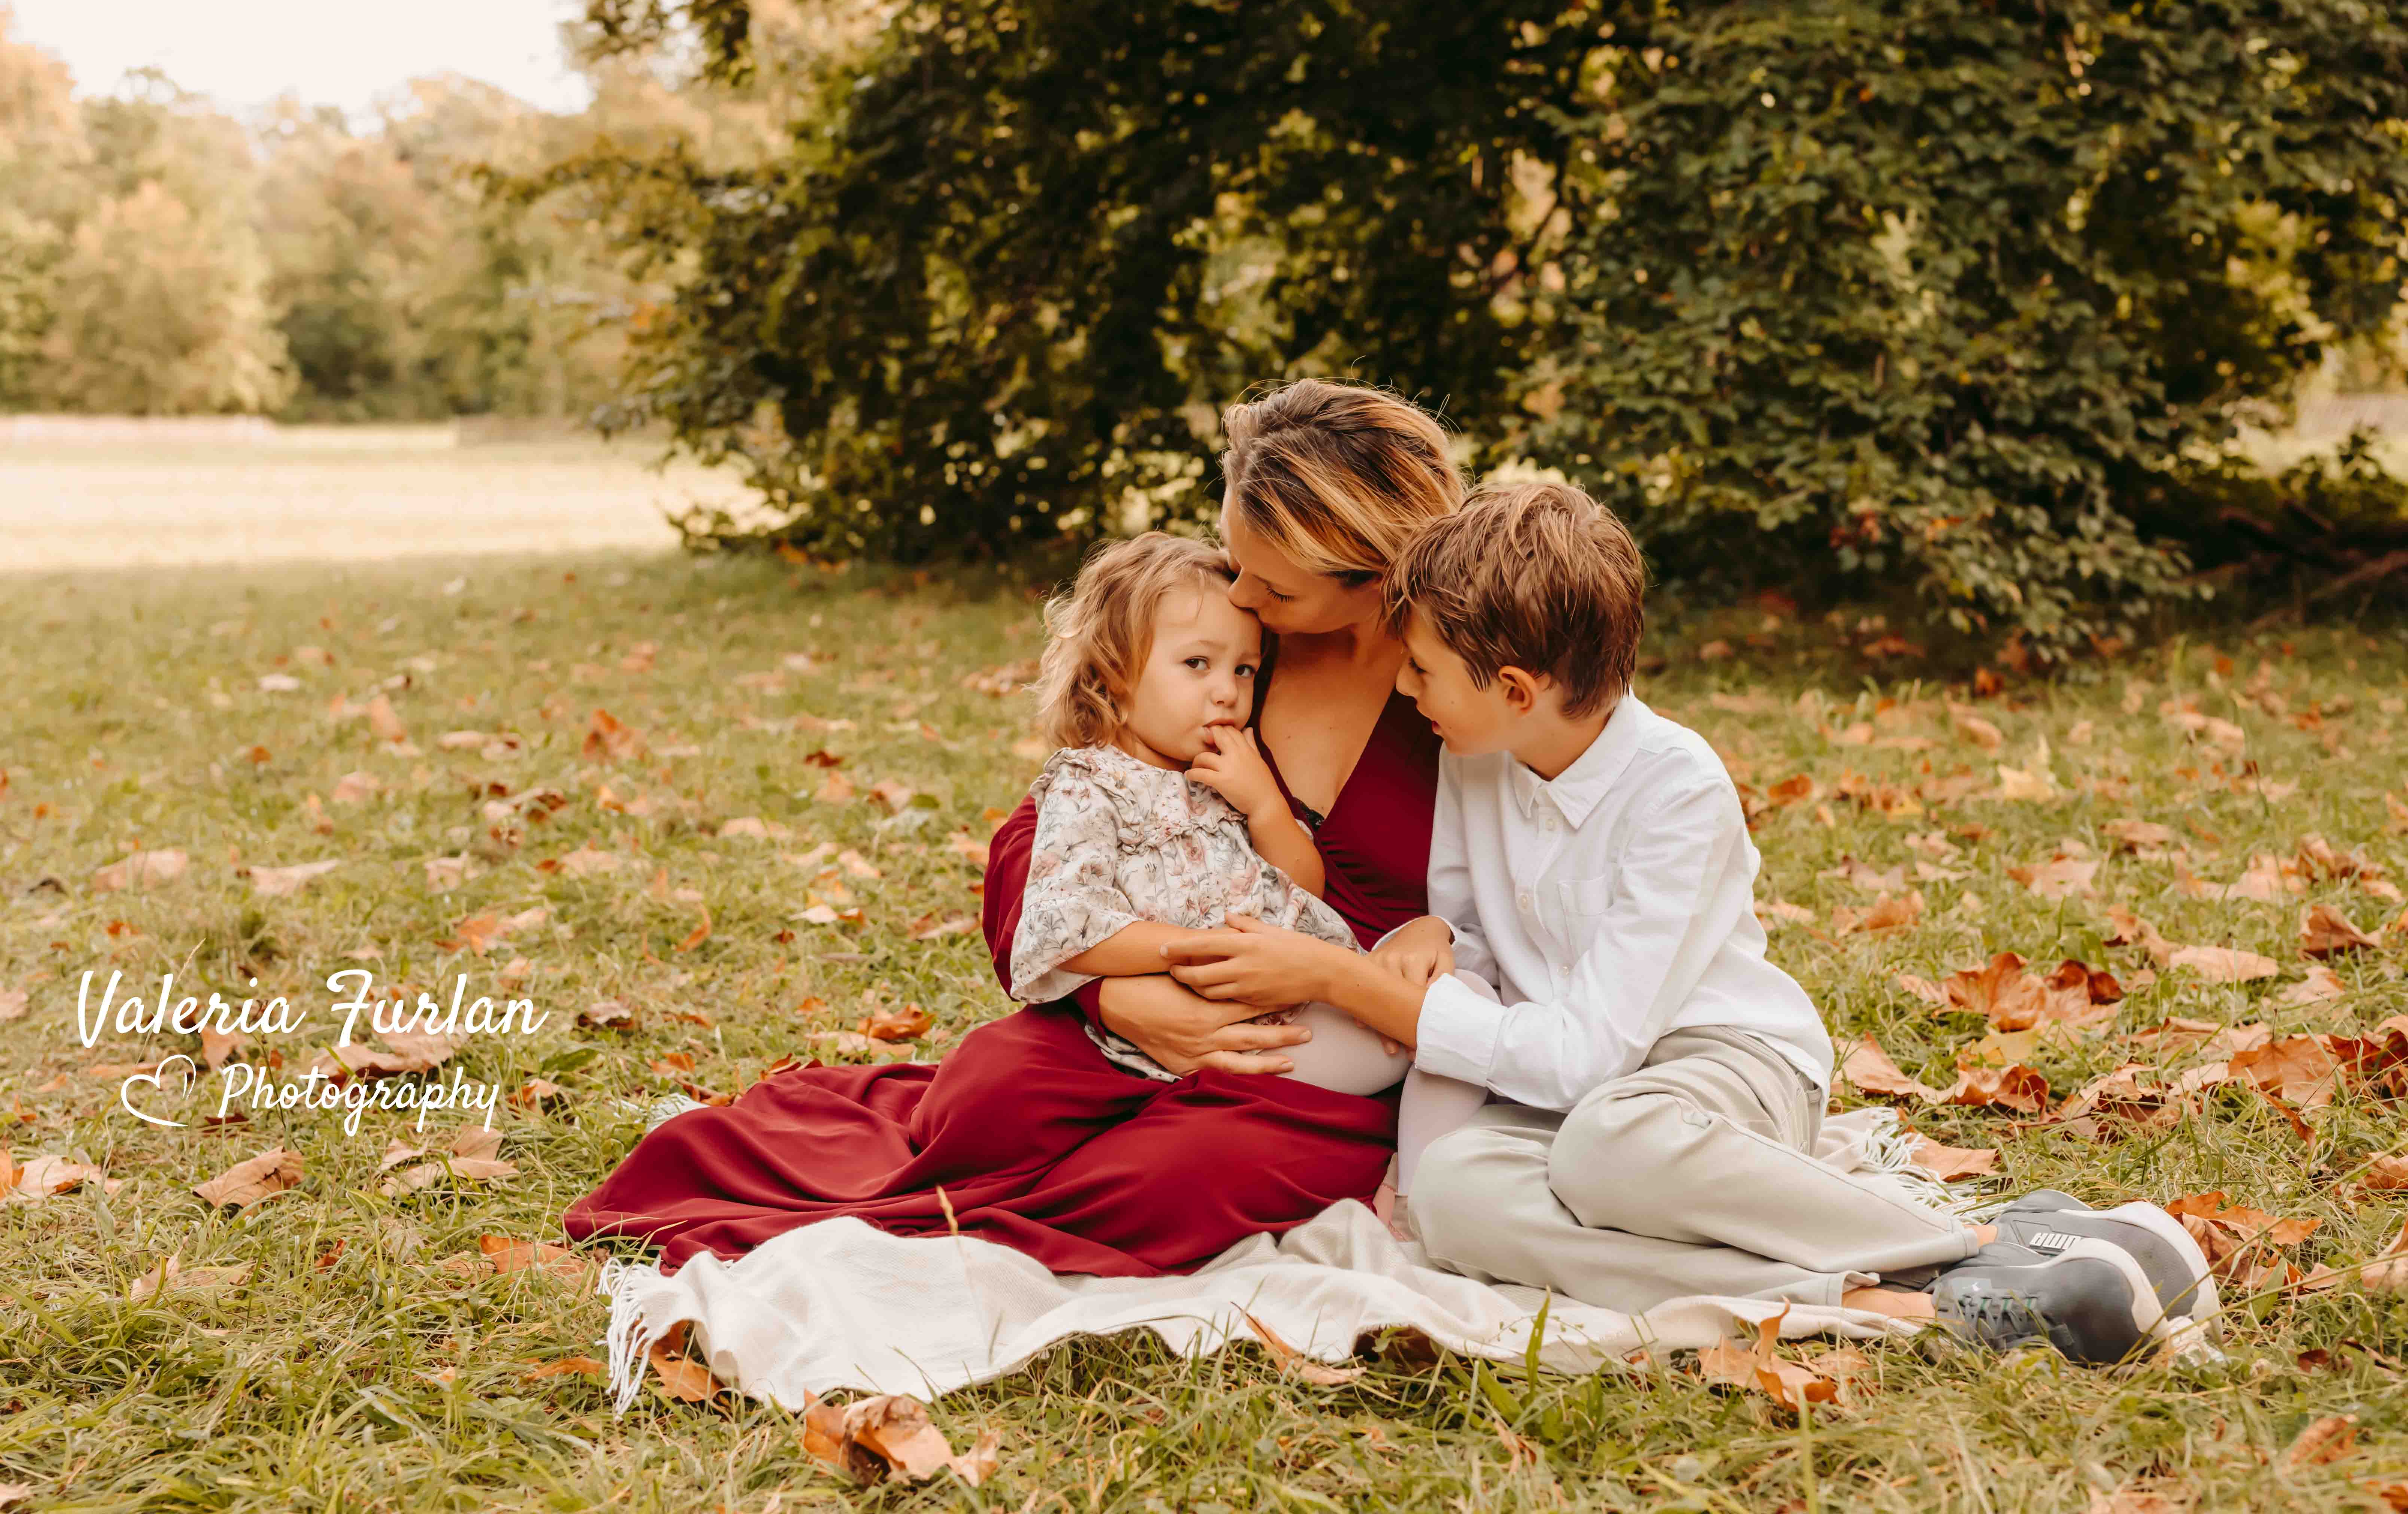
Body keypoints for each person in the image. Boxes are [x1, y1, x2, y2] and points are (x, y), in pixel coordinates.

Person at [1163, 482, 2219, 1362]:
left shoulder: (1678, 789)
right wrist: (1448, 944)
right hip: (1566, 1089)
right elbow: (1486, 938)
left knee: (1609, 1149)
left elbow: (1592, 1057)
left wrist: (1358, 986)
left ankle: (1975, 1237)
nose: (1404, 685)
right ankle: (1912, 1291)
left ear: (1519, 688)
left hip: (1717, 1066)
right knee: (1452, 1199)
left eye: (1424, 669)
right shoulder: (1473, 756)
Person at [563, 380, 1465, 1277]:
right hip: (1152, 991)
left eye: (1271, 582)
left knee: (1167, 1183)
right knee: (981, 1091)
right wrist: (1112, 998)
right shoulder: (1232, 647)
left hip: (1329, 1040)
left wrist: (1430, 936)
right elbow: (1040, 848)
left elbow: (1541, 900)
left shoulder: (1457, 683)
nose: (1241, 590)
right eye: (1237, 560)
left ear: (1369, 570)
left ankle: (982, 1227)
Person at [1002, 530, 1491, 1185]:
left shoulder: (1227, 768)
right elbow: (1065, 924)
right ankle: (1419, 1169)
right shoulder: (1092, 784)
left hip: (1310, 1000)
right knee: (998, 1094)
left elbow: (1304, 887)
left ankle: (1423, 1186)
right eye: (1198, 666)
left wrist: (1265, 806)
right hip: (1227, 1019)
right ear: (1113, 671)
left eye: (1244, 670)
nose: (1230, 691)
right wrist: (1183, 961)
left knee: (1463, 1003)